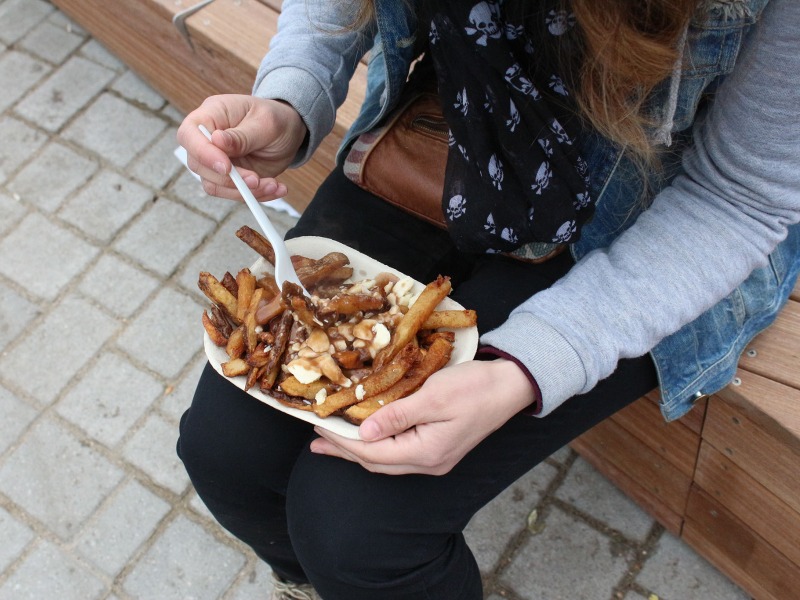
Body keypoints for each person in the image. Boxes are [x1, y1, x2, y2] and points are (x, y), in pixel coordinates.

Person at [176, 0, 800, 598]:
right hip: (455, 122)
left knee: (356, 529)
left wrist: (526, 369)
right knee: (224, 453)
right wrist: (290, 98)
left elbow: (742, 197)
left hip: (651, 213)